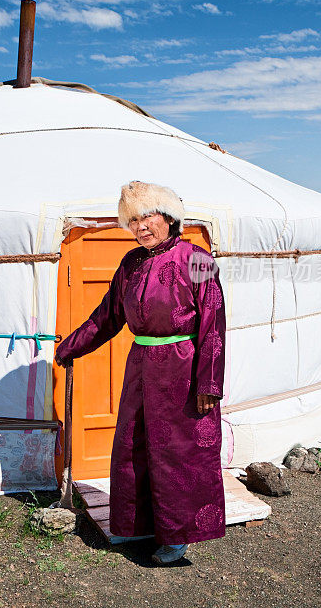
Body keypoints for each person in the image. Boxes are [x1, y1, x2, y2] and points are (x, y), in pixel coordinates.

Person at [55, 181, 226, 565]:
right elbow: (108, 315)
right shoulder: (130, 263)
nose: (140, 226)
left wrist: (209, 383)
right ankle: (142, 526)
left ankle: (176, 537)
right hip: (142, 367)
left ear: (168, 217)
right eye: (132, 220)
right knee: (135, 447)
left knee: (178, 455)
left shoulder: (197, 260)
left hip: (184, 369)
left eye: (146, 216)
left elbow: (214, 325)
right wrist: (71, 346)